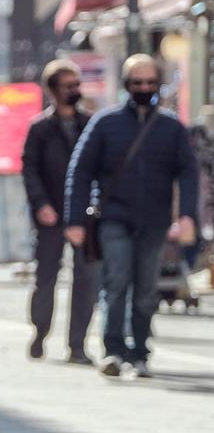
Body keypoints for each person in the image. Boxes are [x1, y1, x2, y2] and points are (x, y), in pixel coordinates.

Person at [65, 53, 198, 379]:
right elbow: (80, 171)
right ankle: (112, 351)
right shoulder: (106, 123)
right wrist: (75, 220)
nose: (144, 87)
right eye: (137, 82)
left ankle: (139, 352)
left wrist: (187, 216)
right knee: (116, 281)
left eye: (150, 82)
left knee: (145, 291)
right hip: (114, 217)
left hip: (154, 221)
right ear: (126, 84)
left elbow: (189, 173)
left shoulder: (171, 128)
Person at [21, 60, 95, 364]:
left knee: (86, 279)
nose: (75, 91)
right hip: (50, 214)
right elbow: (30, 169)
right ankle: (40, 333)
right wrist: (41, 205)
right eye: (68, 86)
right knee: (46, 278)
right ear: (53, 91)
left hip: (84, 215)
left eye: (77, 85)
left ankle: (77, 345)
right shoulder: (40, 128)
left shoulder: (89, 124)